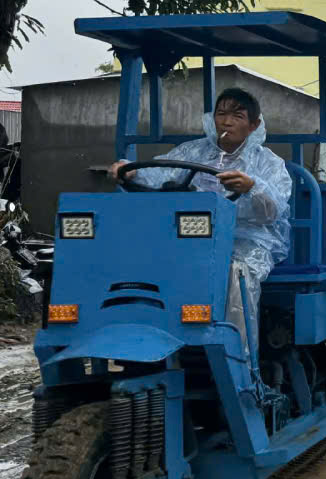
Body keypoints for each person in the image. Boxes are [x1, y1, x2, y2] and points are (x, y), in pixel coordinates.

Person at [108, 87, 291, 346]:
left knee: (236, 273)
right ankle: (144, 343)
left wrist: (252, 187)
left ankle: (239, 360)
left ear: (254, 125)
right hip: (187, 236)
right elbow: (158, 173)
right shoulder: (192, 151)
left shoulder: (269, 163)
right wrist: (130, 171)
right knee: (139, 263)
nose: (226, 122)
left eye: (237, 116)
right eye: (221, 114)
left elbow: (272, 211)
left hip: (244, 241)